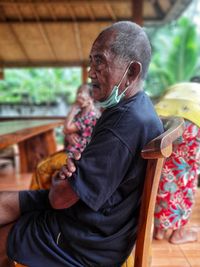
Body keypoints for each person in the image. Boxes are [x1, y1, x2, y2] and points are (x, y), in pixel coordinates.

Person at [0, 21, 163, 267]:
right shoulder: (134, 108)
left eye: (100, 60)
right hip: (93, 217)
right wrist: (67, 177)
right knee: (4, 202)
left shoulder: (123, 124)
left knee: (4, 236)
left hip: (88, 240)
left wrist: (60, 178)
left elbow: (59, 199)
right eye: (91, 60)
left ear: (132, 72)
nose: (90, 71)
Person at [154, 82, 200, 244]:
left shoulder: (178, 86)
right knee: (186, 174)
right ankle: (179, 233)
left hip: (161, 119)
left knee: (165, 172)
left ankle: (160, 229)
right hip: (193, 123)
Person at [30, 83, 99, 190]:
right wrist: (68, 135)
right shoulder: (81, 114)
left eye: (82, 93)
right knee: (41, 164)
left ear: (91, 97)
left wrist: (74, 107)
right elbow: (66, 131)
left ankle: (38, 198)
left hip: (77, 156)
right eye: (78, 92)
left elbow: (66, 128)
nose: (78, 96)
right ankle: (40, 197)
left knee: (42, 168)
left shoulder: (90, 116)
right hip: (69, 151)